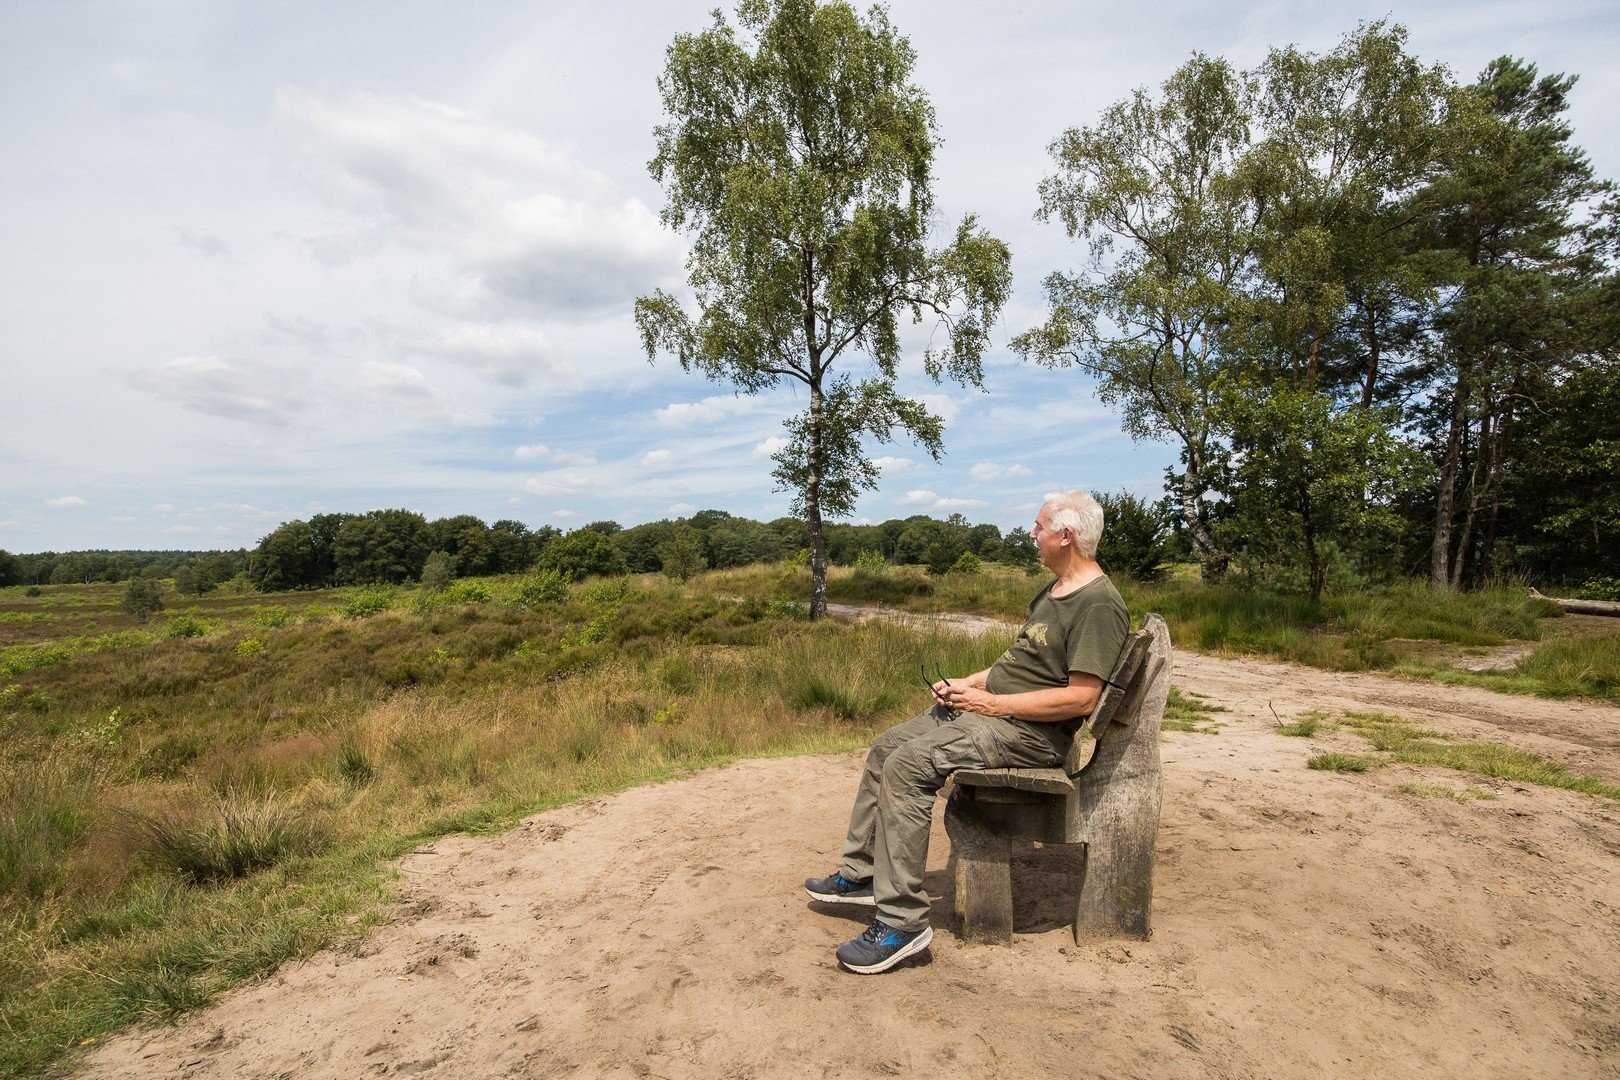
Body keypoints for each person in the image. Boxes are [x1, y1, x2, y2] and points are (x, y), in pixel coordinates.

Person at [805, 490, 1130, 974]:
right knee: (887, 747)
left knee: (908, 766)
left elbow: (1082, 699)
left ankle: (903, 924)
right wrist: (969, 684)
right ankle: (863, 873)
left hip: (1030, 734)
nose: (1030, 533)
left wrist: (991, 704)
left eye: (1038, 526)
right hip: (997, 713)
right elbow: (1021, 664)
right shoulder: (1053, 590)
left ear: (1066, 536)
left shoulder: (1098, 605)